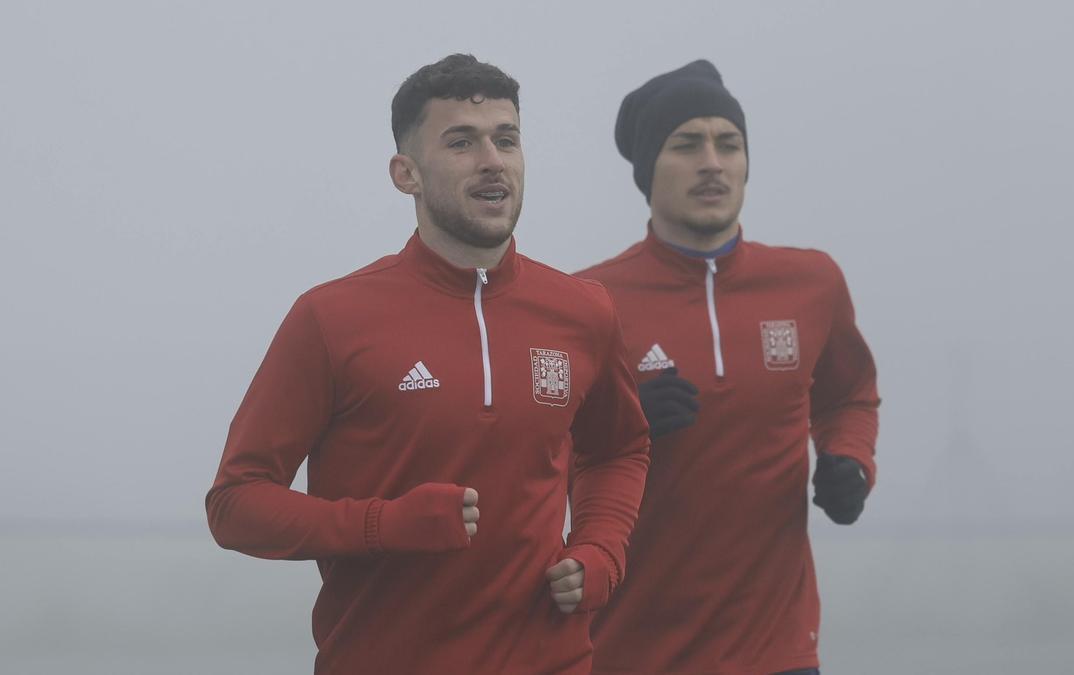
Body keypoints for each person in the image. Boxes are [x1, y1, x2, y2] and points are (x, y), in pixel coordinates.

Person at [206, 54, 650, 675]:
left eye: (507, 139)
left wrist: (601, 550)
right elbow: (235, 505)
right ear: (405, 173)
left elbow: (618, 451)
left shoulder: (584, 311)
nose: (493, 159)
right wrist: (383, 524)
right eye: (462, 142)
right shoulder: (330, 318)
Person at [576, 60, 881, 675]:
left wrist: (851, 462)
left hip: (779, 651)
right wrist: (620, 423)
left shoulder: (811, 282)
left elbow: (849, 395)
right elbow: (534, 454)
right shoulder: (589, 304)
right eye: (687, 144)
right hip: (630, 651)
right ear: (647, 171)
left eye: (729, 143)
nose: (712, 161)